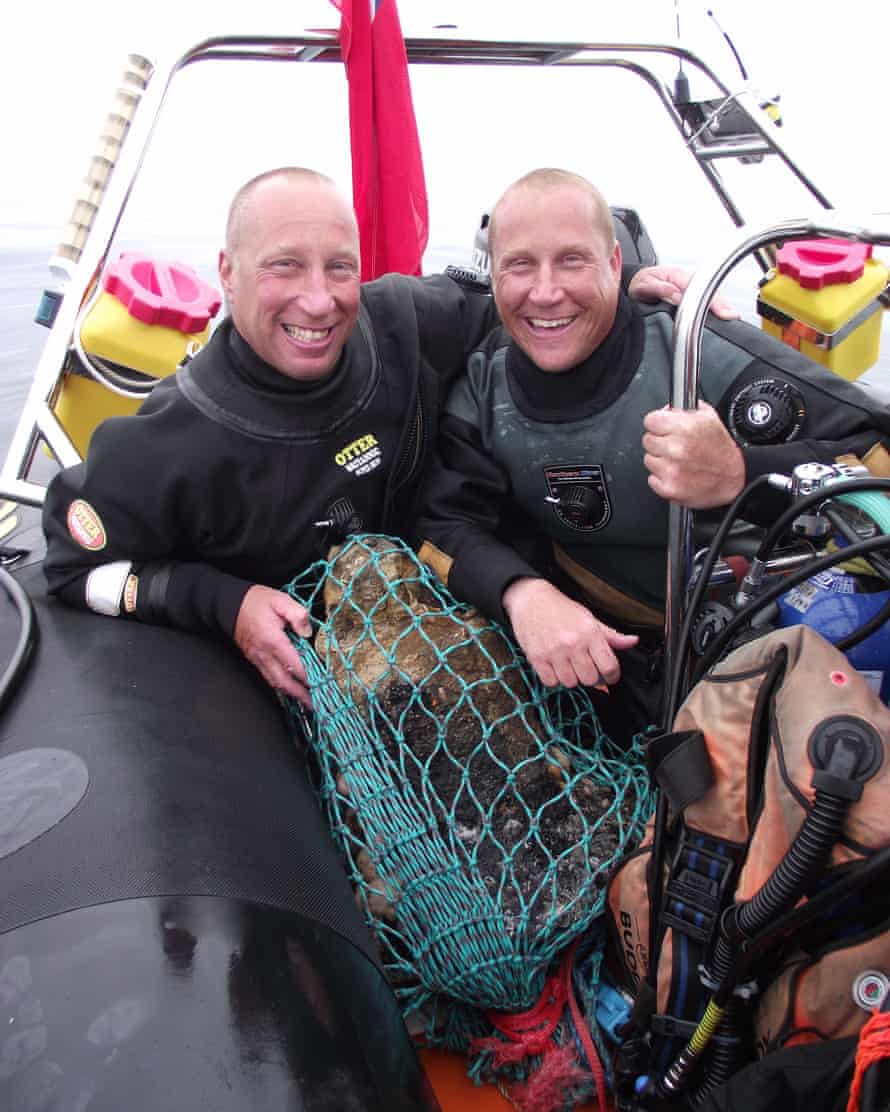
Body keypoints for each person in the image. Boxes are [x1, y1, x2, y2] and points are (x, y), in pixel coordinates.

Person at [41, 166, 690, 708]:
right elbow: (75, 571)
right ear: (227, 273)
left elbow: (522, 306)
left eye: (340, 268)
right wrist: (222, 602)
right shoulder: (170, 441)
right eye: (285, 268)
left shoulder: (402, 323)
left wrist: (623, 285)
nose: (319, 301)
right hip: (291, 677)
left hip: (438, 596)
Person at [416, 167, 890, 736]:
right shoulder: (483, 388)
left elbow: (875, 452)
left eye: (573, 260)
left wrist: (742, 474)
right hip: (608, 658)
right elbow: (443, 524)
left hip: (762, 633)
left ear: (616, 265)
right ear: (493, 274)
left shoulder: (698, 351)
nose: (545, 292)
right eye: (520, 265)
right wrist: (523, 594)